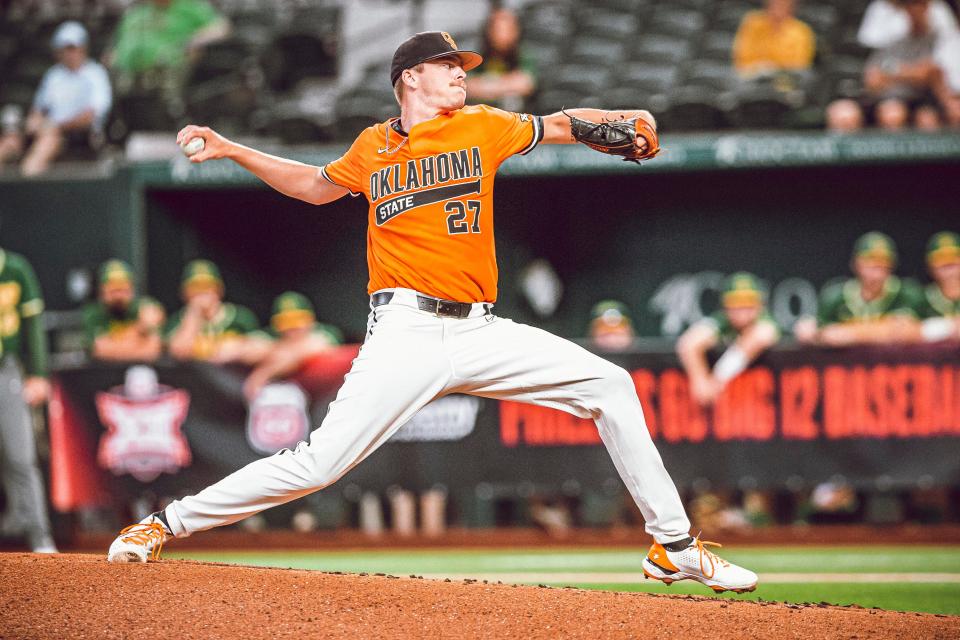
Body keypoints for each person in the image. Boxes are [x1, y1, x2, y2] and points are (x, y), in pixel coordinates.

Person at [107, 30, 757, 594]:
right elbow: (312, 185)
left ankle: (672, 547)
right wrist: (233, 149)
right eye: (451, 66)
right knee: (318, 464)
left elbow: (561, 123)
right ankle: (166, 522)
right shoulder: (372, 148)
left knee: (609, 384)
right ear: (412, 77)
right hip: (404, 332)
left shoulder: (482, 126)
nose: (461, 74)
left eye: (464, 67)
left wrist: (619, 121)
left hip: (478, 328)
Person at [0, 246, 57, 553]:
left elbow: (34, 324)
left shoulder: (15, 268)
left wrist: (38, 372)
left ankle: (40, 539)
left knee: (20, 457)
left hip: (6, 371)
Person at [0, 21, 111, 176]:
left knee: (48, 141)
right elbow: (39, 109)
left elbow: (91, 115)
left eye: (72, 48)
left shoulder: (95, 74)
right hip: (47, 130)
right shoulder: (54, 75)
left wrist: (57, 126)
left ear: (83, 48)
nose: (69, 53)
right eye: (64, 49)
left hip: (78, 135)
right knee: (10, 141)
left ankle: (26, 186)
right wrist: (34, 122)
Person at [834, 0, 960, 130]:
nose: (914, 11)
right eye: (910, 6)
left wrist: (894, 73)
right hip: (886, 98)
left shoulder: (940, 36)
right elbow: (872, 79)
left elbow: (930, 72)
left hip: (925, 100)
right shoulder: (894, 40)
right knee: (843, 112)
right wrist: (911, 73)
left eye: (919, 5)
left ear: (927, 7)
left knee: (905, 114)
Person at [794, 232, 922, 345]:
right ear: (856, 263)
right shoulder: (836, 295)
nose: (877, 267)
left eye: (883, 261)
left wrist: (851, 333)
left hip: (894, 369)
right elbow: (822, 332)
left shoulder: (907, 292)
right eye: (870, 260)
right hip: (847, 369)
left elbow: (907, 331)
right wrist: (812, 330)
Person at [677, 272, 780, 406]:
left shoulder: (766, 322)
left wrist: (717, 379)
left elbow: (761, 336)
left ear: (759, 305)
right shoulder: (722, 322)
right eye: (736, 305)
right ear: (726, 306)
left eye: (749, 304)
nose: (742, 312)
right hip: (730, 412)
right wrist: (700, 381)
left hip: (766, 404)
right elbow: (688, 343)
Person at [107, 0, 230, 104]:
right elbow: (117, 41)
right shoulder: (138, 11)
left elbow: (222, 28)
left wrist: (198, 40)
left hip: (171, 63)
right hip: (127, 69)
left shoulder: (189, 6)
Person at [242, 291, 343, 402]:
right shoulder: (273, 336)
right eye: (286, 322)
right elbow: (243, 347)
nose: (293, 328)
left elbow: (309, 347)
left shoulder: (327, 332)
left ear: (311, 319)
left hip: (325, 400)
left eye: (298, 320)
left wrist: (263, 373)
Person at [166, 259, 268, 363]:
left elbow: (265, 349)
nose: (202, 292)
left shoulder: (240, 316)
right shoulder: (178, 320)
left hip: (232, 376)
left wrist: (240, 347)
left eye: (208, 286)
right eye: (195, 287)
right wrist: (194, 313)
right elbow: (178, 352)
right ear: (184, 293)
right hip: (193, 377)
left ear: (219, 289)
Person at [82, 259, 165, 362]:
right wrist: (139, 330)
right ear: (102, 292)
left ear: (132, 290)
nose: (118, 297)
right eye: (113, 291)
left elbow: (152, 351)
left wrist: (116, 344)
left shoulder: (145, 308)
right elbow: (101, 350)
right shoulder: (93, 313)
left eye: (123, 290)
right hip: (105, 374)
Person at [465, 6, 536, 112]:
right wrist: (506, 84)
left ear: (516, 31)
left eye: (507, 30)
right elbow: (467, 85)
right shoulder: (479, 54)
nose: (502, 35)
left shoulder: (523, 54)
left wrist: (486, 84)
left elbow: (526, 84)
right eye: (497, 29)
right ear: (489, 31)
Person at [732, 0, 816, 79]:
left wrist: (773, 68)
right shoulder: (752, 23)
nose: (777, 8)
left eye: (783, 5)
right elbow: (742, 58)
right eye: (774, 3)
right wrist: (762, 68)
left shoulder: (802, 32)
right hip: (752, 79)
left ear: (791, 8)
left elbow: (799, 65)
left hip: (785, 81)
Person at [914, 231, 960, 341]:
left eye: (954, 258)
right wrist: (948, 327)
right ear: (930, 265)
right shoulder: (922, 298)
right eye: (941, 259)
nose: (948, 263)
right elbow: (905, 331)